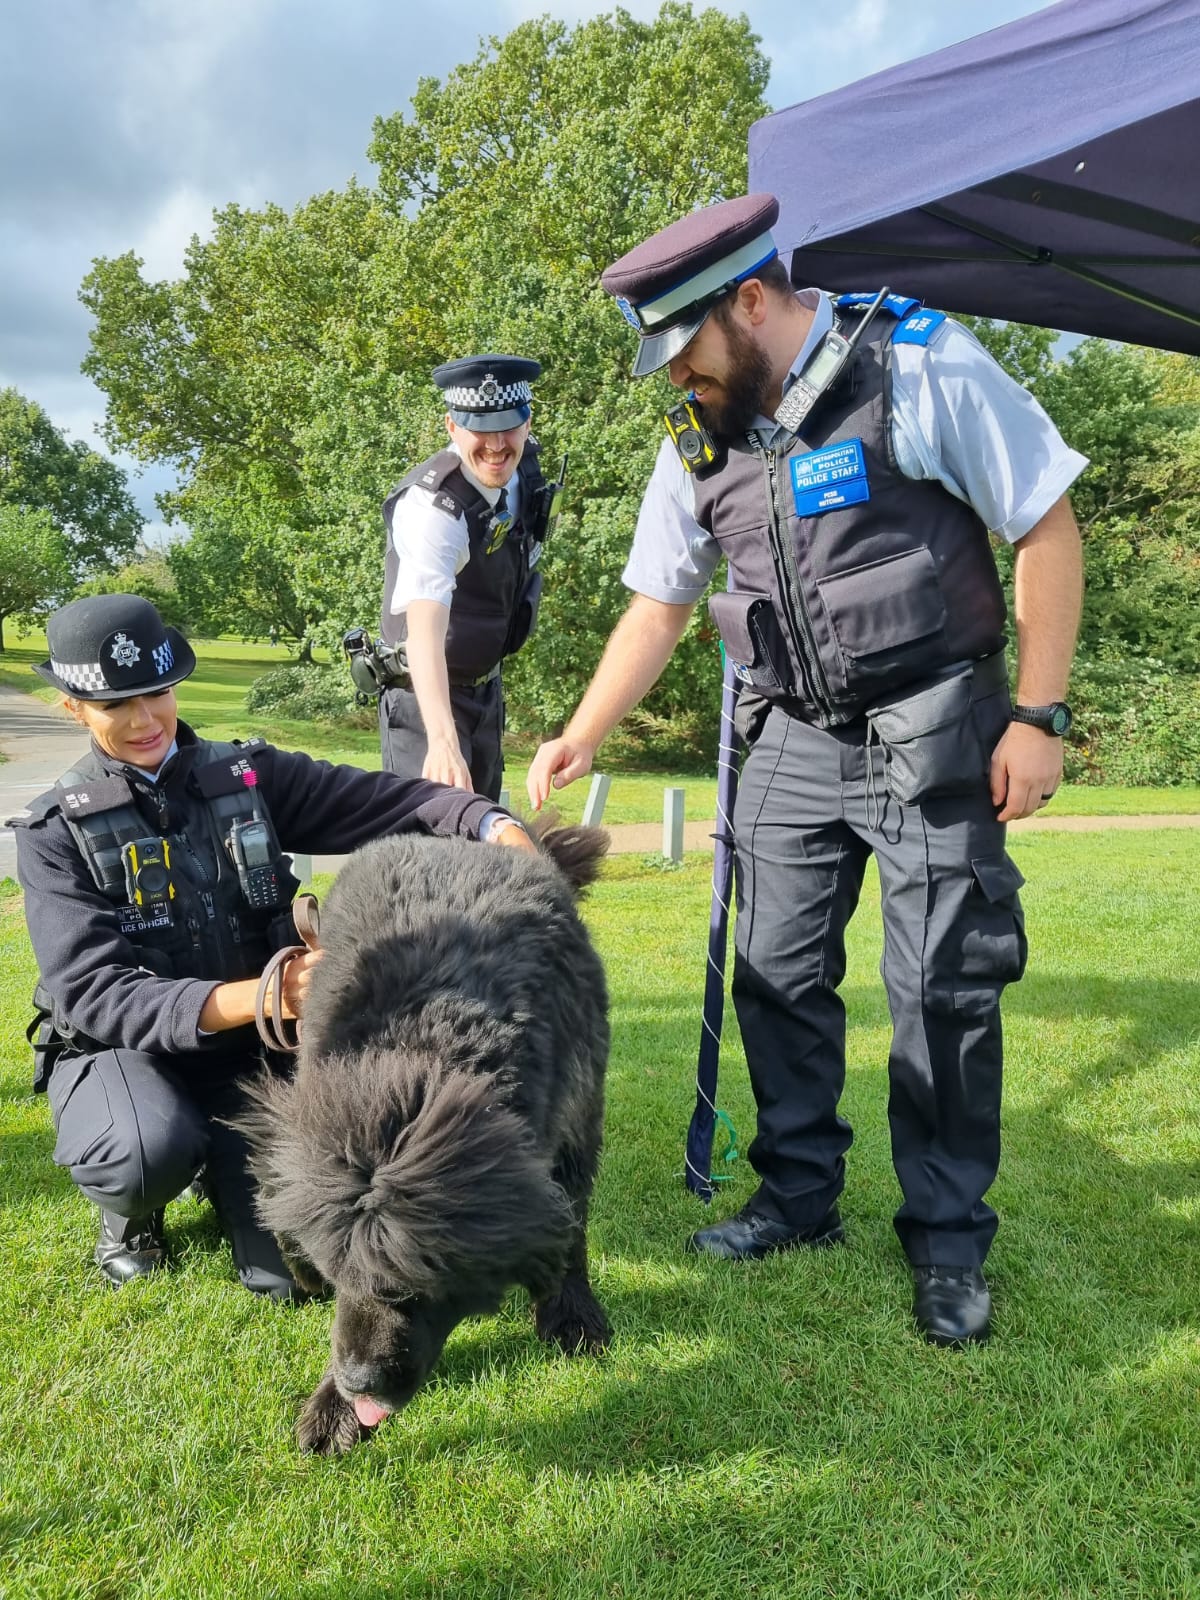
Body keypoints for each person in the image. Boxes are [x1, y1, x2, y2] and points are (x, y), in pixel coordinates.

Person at [528, 194, 1086, 1348]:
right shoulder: (698, 434)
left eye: (682, 350)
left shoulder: (920, 366)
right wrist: (584, 728)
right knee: (773, 975)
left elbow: (1047, 524)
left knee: (941, 987)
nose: (675, 379)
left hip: (936, 722)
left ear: (750, 301)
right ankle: (797, 1197)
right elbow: (659, 601)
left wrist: (1038, 715)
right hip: (786, 734)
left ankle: (944, 1240)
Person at [13, 593, 535, 1297]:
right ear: (76, 709)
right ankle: (130, 1213)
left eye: (157, 694)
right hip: (125, 1053)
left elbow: (385, 800)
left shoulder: (246, 776)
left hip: (249, 1052)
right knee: (145, 1155)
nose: (144, 721)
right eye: (116, 706)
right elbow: (97, 993)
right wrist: (264, 995)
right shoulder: (54, 833)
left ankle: (225, 1163)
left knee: (292, 1275)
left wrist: (488, 821)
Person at [376, 353, 562, 800]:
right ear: (451, 426)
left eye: (508, 425)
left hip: (485, 693)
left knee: (484, 847)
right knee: (428, 855)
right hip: (425, 702)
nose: (496, 444)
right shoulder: (432, 510)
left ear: (528, 422)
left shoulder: (524, 474)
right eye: (480, 428)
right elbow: (425, 632)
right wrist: (442, 740)